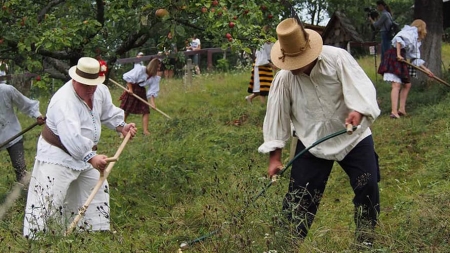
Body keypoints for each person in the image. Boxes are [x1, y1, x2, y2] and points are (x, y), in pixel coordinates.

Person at [258, 18, 381, 248]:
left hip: (352, 136)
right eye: (290, 62)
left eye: (298, 62)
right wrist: (275, 158)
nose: (293, 67)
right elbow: (277, 116)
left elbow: (361, 88)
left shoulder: (337, 58)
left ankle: (366, 241)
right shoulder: (284, 79)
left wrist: (358, 111)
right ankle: (285, 245)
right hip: (312, 141)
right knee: (299, 199)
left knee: (368, 185)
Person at [23, 57, 137, 238]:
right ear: (75, 80)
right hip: (58, 154)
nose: (91, 89)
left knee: (95, 190)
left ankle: (92, 233)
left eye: (94, 84)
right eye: (86, 85)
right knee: (49, 198)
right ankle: (38, 238)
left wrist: (122, 126)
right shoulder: (64, 101)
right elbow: (71, 136)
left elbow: (107, 112)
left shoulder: (99, 90)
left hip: (85, 153)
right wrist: (91, 157)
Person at [377, 19, 434, 119]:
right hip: (394, 55)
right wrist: (398, 54)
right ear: (421, 27)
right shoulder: (409, 31)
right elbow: (399, 39)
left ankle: (401, 109)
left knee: (407, 84)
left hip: (401, 57)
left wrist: (427, 70)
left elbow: (415, 59)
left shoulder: (416, 39)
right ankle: (394, 112)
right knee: (396, 84)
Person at [0, 68, 45, 182]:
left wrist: (37, 115)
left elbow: (25, 104)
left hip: (12, 133)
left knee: (20, 169)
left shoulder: (6, 90)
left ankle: (26, 196)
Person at [120, 58, 161, 135]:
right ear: (153, 67)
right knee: (126, 111)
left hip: (141, 91)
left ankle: (145, 131)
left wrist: (152, 103)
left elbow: (152, 90)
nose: (158, 69)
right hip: (132, 88)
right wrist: (130, 89)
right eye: (157, 67)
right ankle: (122, 130)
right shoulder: (141, 69)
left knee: (146, 111)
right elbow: (129, 78)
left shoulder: (154, 77)